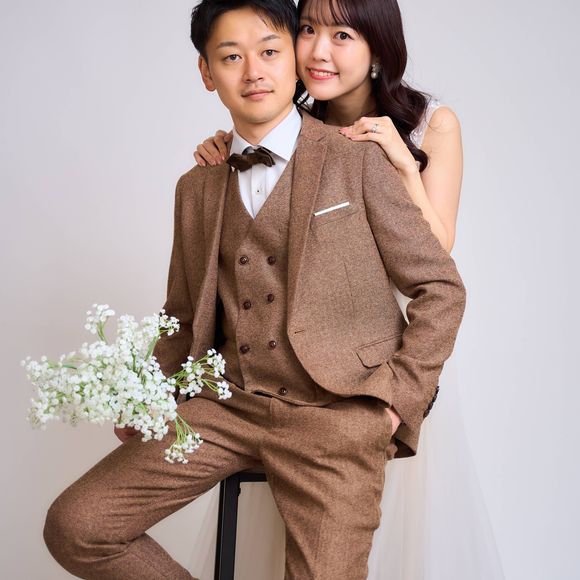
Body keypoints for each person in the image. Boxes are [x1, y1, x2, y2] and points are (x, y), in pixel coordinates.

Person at [42, 1, 466, 579]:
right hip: (226, 407)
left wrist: (393, 404)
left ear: (293, 60)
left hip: (336, 415)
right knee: (77, 526)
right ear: (206, 72)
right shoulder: (196, 186)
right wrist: (147, 396)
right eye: (231, 58)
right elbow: (182, 314)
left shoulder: (362, 160)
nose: (253, 72)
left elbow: (440, 285)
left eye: (269, 52)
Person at [191, 0, 505, 579]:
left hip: (391, 351)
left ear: (378, 49)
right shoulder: (292, 119)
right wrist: (225, 150)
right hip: (296, 358)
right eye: (308, 30)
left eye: (342, 35)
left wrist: (401, 165)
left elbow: (438, 254)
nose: (318, 51)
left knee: (398, 534)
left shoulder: (431, 124)